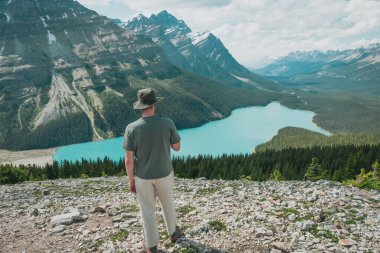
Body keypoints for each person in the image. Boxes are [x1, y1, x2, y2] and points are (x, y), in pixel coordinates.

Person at [122, 88, 183, 253]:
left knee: (147, 211)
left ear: (140, 106)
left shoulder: (131, 128)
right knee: (168, 204)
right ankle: (173, 234)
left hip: (143, 177)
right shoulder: (167, 123)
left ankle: (151, 247)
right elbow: (177, 147)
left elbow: (129, 160)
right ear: (154, 104)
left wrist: (131, 180)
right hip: (165, 173)